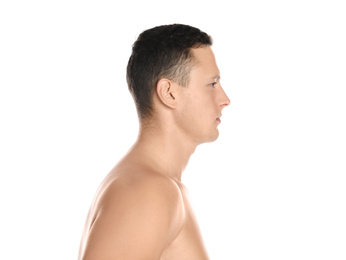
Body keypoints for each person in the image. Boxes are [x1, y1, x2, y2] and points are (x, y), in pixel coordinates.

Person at [78, 24, 230, 260]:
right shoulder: (149, 191)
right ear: (169, 93)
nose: (225, 99)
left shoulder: (158, 187)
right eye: (212, 84)